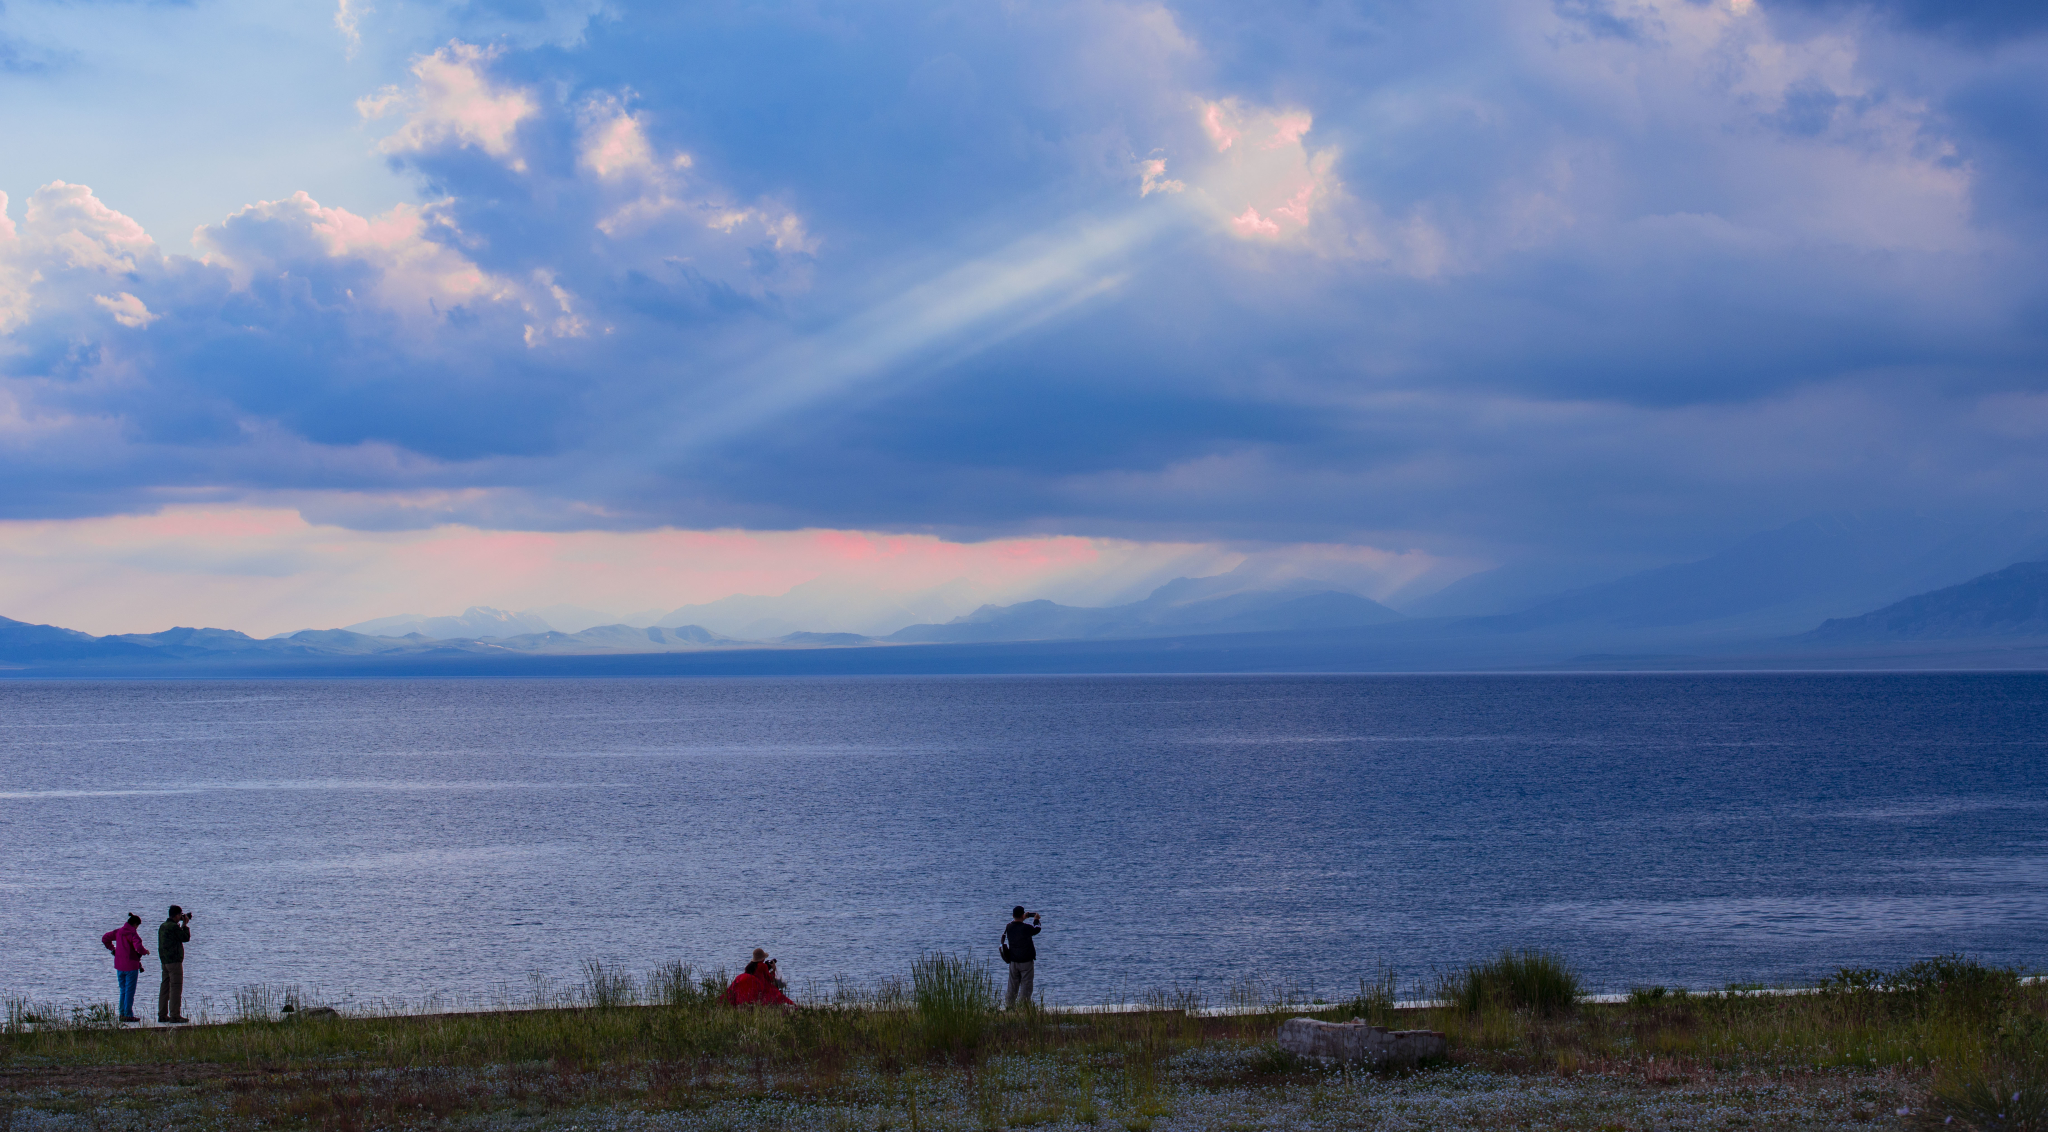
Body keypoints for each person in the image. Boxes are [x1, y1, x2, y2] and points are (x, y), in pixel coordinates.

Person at [101, 913, 149, 1023]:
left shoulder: (118, 932)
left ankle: (122, 1013)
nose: (137, 928)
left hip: (119, 966)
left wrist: (113, 949)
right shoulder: (133, 934)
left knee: (123, 990)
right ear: (135, 924)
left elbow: (105, 938)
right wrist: (145, 952)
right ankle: (128, 1014)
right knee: (130, 991)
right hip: (131, 966)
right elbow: (138, 947)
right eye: (137, 926)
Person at [1001, 906, 1042, 1010]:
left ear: (1013, 915)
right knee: (1026, 986)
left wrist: (1022, 918)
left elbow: (1016, 923)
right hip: (1026, 962)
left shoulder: (1009, 927)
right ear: (1022, 915)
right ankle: (1023, 1008)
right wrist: (1036, 920)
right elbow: (1037, 929)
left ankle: (1009, 1008)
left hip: (1013, 961)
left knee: (1012, 987)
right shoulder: (1026, 928)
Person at [157, 905, 193, 1024]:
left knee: (164, 988)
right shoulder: (173, 927)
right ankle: (175, 1015)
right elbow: (185, 938)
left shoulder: (163, 926)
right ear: (177, 915)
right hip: (175, 962)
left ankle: (162, 1014)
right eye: (180, 915)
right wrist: (185, 925)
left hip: (164, 962)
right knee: (176, 989)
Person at [723, 957, 796, 1007]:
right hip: (760, 985)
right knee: (777, 994)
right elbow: (770, 978)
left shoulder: (749, 966)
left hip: (750, 984)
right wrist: (773, 969)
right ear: (763, 958)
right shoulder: (763, 965)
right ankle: (793, 1005)